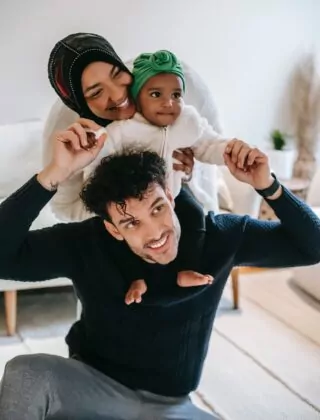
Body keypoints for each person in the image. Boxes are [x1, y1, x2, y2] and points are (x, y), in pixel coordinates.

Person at [0, 132, 319, 419]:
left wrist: (270, 186)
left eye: (156, 209)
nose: (155, 233)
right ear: (112, 228)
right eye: (131, 224)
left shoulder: (222, 236)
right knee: (25, 371)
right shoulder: (86, 241)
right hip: (93, 388)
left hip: (171, 407)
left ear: (169, 194)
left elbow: (312, 247)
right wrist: (52, 175)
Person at [84, 49, 237, 303]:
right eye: (156, 95)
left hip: (172, 193)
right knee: (120, 235)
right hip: (133, 202)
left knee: (195, 215)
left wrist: (233, 152)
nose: (168, 103)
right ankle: (136, 277)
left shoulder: (186, 122)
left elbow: (210, 145)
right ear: (137, 98)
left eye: (176, 95)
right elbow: (96, 168)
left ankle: (185, 267)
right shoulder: (122, 130)